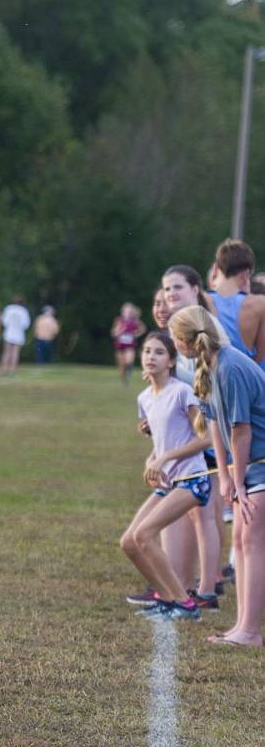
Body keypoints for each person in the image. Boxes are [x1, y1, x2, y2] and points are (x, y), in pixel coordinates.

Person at [171, 305, 265, 646]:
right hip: (246, 469)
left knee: (253, 545)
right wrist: (225, 477)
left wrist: (237, 481)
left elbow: (241, 430)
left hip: (259, 466)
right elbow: (214, 424)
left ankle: (251, 631)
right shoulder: (209, 367)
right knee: (240, 543)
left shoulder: (229, 367)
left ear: (183, 341)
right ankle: (242, 626)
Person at [118, 332, 209, 619]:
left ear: (171, 361)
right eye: (146, 351)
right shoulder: (144, 398)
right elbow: (163, 441)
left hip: (192, 479)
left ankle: (185, 603)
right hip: (168, 484)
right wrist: (152, 459)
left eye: (158, 353)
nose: (150, 357)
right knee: (129, 542)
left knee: (145, 534)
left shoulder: (182, 392)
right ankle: (167, 598)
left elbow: (205, 438)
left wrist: (167, 457)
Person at [208, 239, 265, 362]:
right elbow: (261, 360)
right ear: (246, 274)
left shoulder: (202, 300)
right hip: (246, 379)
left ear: (215, 269)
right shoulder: (260, 304)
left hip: (207, 378)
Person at [111, 303, 142, 385]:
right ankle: (124, 380)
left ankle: (129, 372)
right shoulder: (118, 320)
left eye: (129, 310)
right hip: (119, 345)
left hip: (130, 345)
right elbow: (113, 333)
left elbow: (143, 329)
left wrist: (136, 334)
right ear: (123, 311)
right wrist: (120, 331)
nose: (128, 312)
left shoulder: (135, 321)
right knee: (122, 366)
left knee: (129, 361)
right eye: (126, 310)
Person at [0, 295, 30, 375]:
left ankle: (4, 369)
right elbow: (26, 325)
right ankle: (13, 370)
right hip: (18, 334)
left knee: (7, 352)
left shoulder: (8, 309)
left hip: (9, 333)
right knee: (15, 353)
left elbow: (4, 322)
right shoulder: (23, 311)